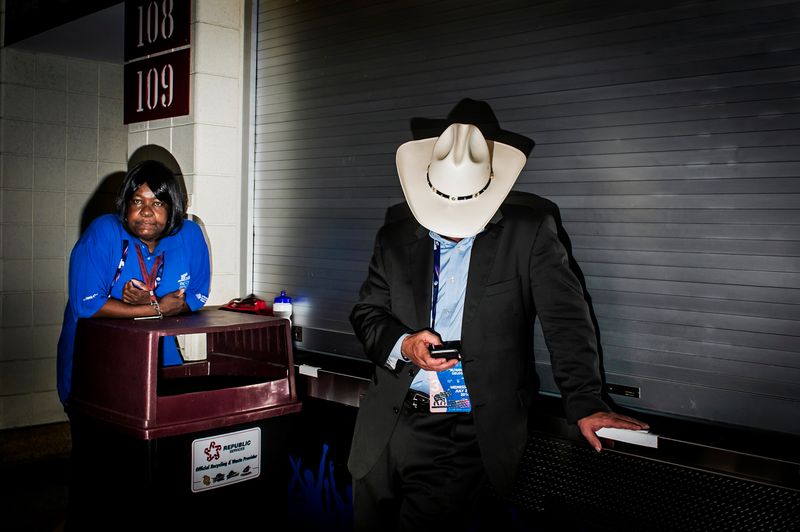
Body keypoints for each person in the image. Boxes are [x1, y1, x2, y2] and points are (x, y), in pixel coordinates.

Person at [348, 115, 649, 530]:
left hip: (462, 430)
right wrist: (404, 344)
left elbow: (566, 321)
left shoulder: (529, 233)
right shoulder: (394, 237)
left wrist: (586, 401)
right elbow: (366, 314)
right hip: (384, 427)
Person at [56, 159, 211, 404]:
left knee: (167, 417)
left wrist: (151, 301)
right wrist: (156, 307)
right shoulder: (104, 231)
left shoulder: (189, 235)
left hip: (158, 357)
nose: (146, 211)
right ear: (125, 204)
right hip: (97, 358)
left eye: (157, 203)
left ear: (172, 207)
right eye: (138, 201)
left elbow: (197, 295)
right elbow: (86, 305)